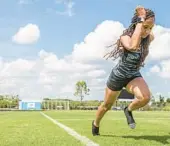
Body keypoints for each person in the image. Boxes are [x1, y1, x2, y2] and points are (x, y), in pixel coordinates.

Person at [92, 6, 155, 136]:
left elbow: (146, 39)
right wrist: (140, 21)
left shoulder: (149, 37)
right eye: (145, 27)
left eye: (150, 28)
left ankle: (128, 109)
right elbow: (132, 46)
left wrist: (144, 25)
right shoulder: (125, 37)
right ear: (137, 23)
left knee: (145, 98)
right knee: (106, 105)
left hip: (133, 75)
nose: (148, 31)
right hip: (118, 75)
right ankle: (95, 123)